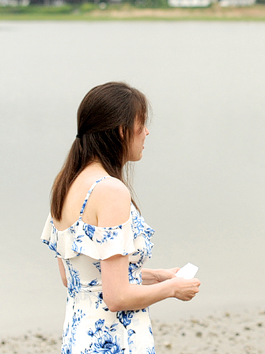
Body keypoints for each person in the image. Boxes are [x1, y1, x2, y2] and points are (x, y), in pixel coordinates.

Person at [41, 81, 200, 354]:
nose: (147, 132)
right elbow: (117, 297)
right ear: (121, 131)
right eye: (141, 124)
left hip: (78, 338)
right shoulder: (111, 190)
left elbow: (77, 277)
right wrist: (173, 289)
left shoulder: (67, 183)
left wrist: (156, 276)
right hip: (114, 341)